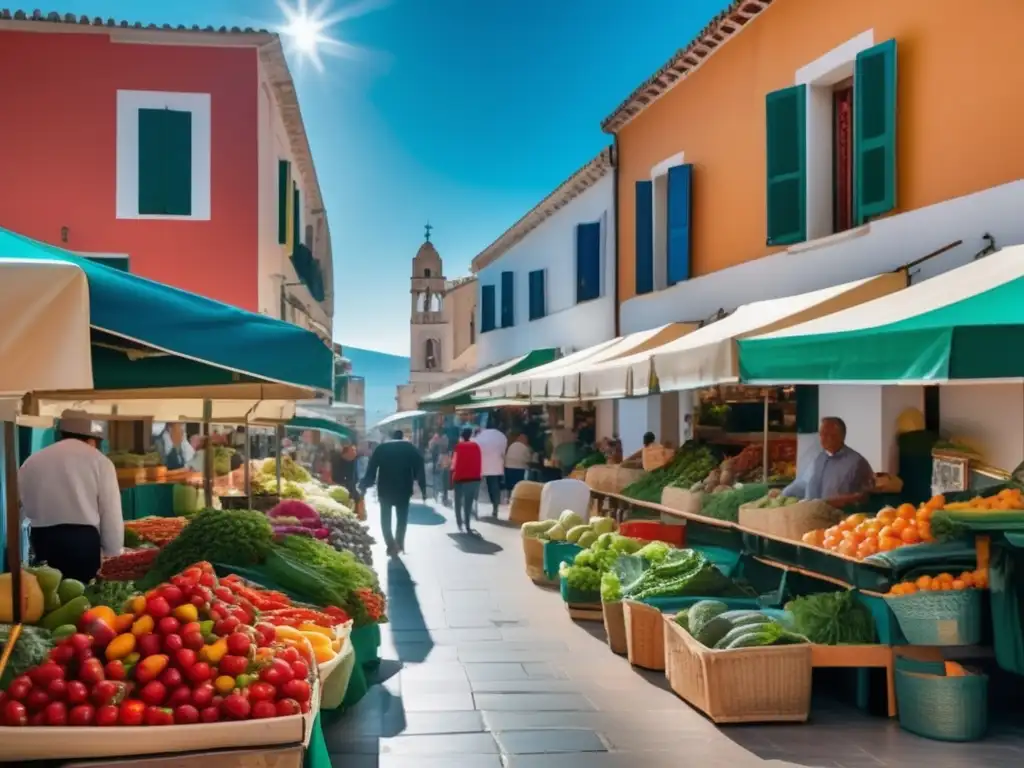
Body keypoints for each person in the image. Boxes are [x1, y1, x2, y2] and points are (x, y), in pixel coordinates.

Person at [19, 411, 123, 583]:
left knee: (51, 596)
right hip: (82, 544)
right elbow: (110, 511)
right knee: (83, 596)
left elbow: (20, 506)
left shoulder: (33, 460)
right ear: (93, 440)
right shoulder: (100, 461)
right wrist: (113, 553)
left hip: (43, 540)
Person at [359, 429, 427, 557]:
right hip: (404, 489)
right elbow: (420, 468)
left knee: (385, 518)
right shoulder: (410, 448)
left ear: (391, 437)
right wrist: (423, 489)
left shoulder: (382, 448)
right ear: (402, 437)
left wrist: (363, 486)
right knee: (402, 519)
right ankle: (399, 543)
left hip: (385, 489)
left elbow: (371, 470)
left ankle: (390, 544)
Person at [782, 417, 874, 508]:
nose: (823, 438)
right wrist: (783, 494)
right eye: (822, 434)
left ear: (841, 436)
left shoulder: (856, 462)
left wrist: (833, 502)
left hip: (839, 518)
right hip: (813, 515)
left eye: (828, 435)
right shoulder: (819, 458)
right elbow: (804, 483)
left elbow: (865, 496)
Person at [474, 416, 507, 518]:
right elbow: (503, 453)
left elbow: (475, 449)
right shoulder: (502, 436)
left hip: (481, 466)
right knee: (494, 487)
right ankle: (495, 508)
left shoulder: (479, 436)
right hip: (496, 466)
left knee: (476, 487)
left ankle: (474, 508)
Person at [451, 428, 482, 534]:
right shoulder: (476, 446)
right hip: (473, 478)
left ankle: (459, 523)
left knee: (458, 501)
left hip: (459, 478)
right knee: (468, 503)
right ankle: (468, 524)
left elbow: (454, 463)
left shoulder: (458, 446)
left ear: (461, 436)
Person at [504, 433, 532, 498]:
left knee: (509, 485)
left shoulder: (512, 445)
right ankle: (516, 497)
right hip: (520, 468)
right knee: (518, 485)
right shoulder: (525, 447)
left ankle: (508, 497)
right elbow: (528, 459)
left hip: (508, 467)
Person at [428, 431, 450, 505]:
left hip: (441, 471)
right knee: (445, 486)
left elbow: (438, 465)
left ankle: (438, 497)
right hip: (446, 471)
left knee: (440, 485)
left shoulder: (441, 454)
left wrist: (437, 467)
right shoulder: (447, 455)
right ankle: (444, 498)